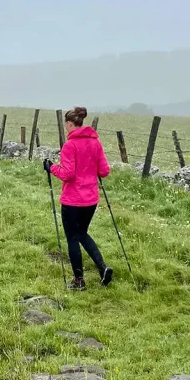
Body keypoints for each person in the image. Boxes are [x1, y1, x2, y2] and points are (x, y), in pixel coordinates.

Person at [43, 107, 113, 290]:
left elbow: (68, 174)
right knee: (82, 233)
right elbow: (104, 171)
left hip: (72, 200)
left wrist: (51, 167)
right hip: (91, 199)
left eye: (66, 124)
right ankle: (103, 268)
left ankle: (78, 281)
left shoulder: (70, 145)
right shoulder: (95, 143)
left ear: (69, 123)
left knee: (73, 238)